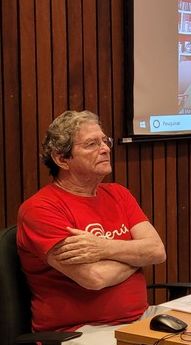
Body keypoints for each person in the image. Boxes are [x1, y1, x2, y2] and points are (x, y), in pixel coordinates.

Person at [16, 111, 166, 343]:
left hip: (143, 317)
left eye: (104, 141)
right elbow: (94, 278)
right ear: (61, 159)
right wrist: (136, 258)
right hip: (80, 331)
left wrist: (102, 248)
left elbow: (157, 251)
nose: (105, 149)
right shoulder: (40, 209)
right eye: (91, 144)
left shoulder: (118, 193)